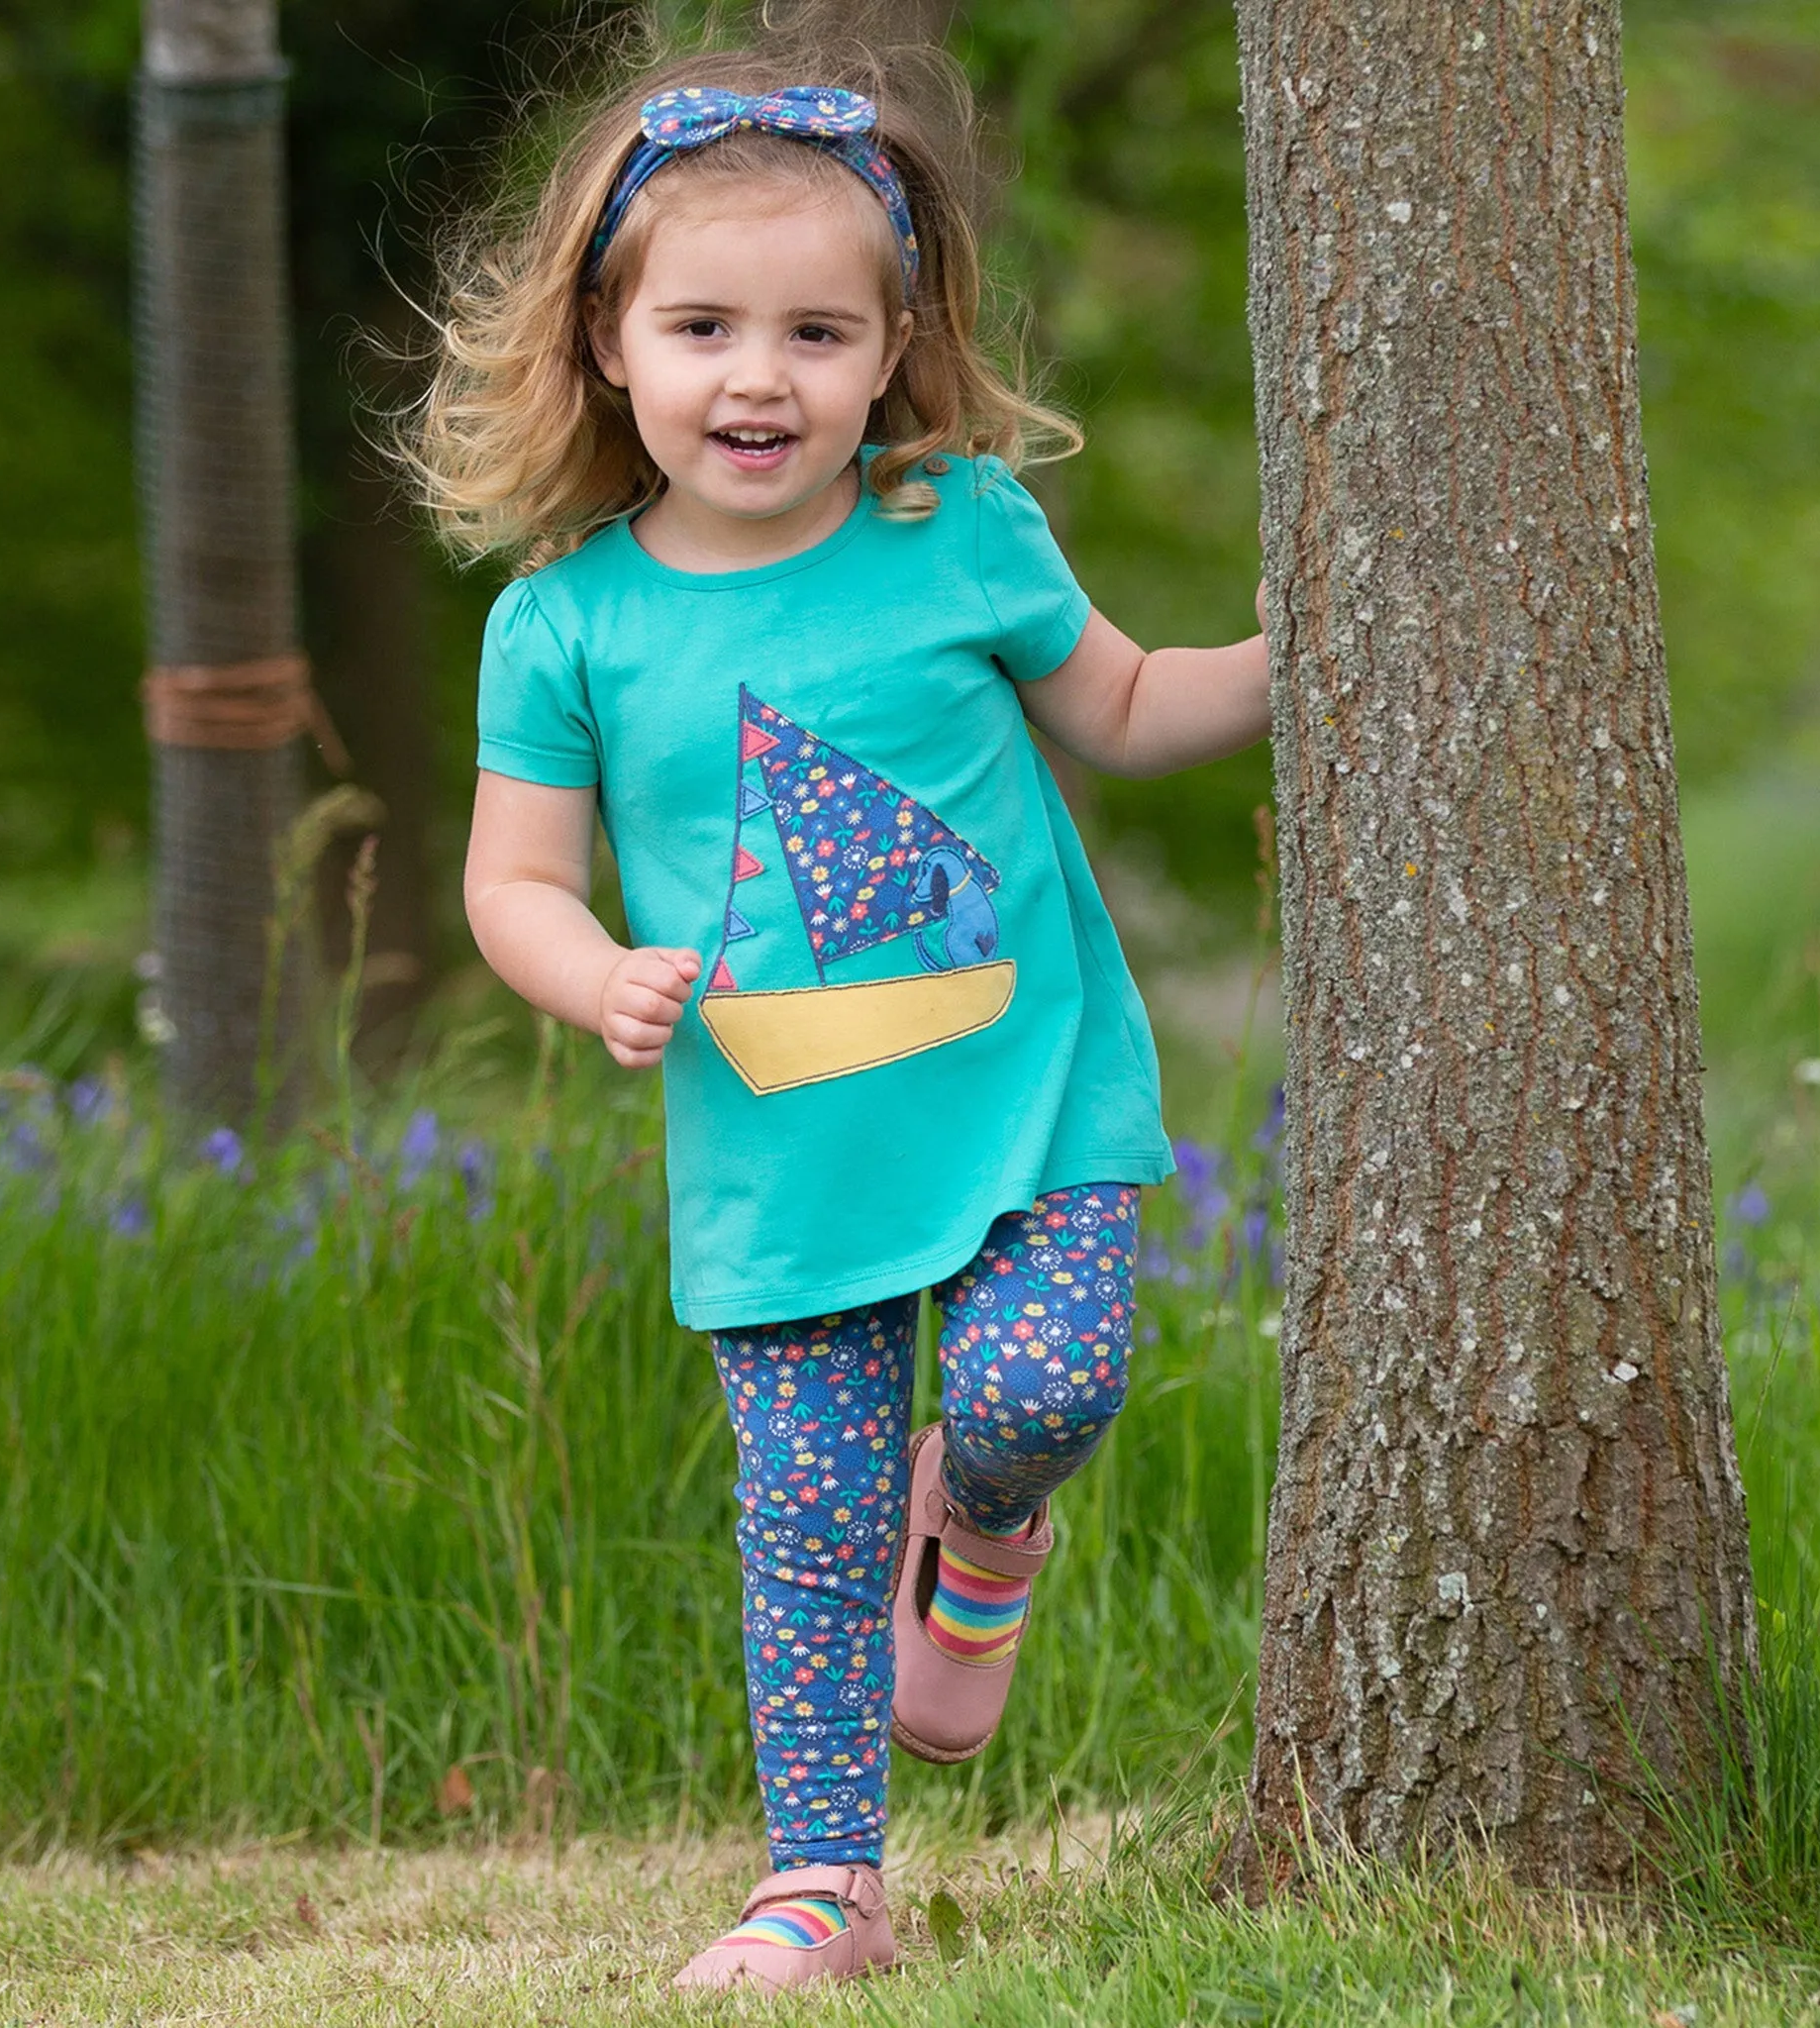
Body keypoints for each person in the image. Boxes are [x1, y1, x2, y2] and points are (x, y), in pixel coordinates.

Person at [410, 21, 1269, 1994]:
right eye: (703, 325)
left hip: (1028, 1088)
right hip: (775, 1136)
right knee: (799, 1522)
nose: (757, 377)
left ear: (889, 351)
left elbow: (1126, 711)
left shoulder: (951, 524)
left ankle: (976, 1538)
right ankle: (822, 1884)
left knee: (1044, 1385)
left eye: (815, 332)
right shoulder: (567, 617)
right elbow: (509, 879)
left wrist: (1312, 641)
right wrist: (588, 968)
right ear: (608, 345)